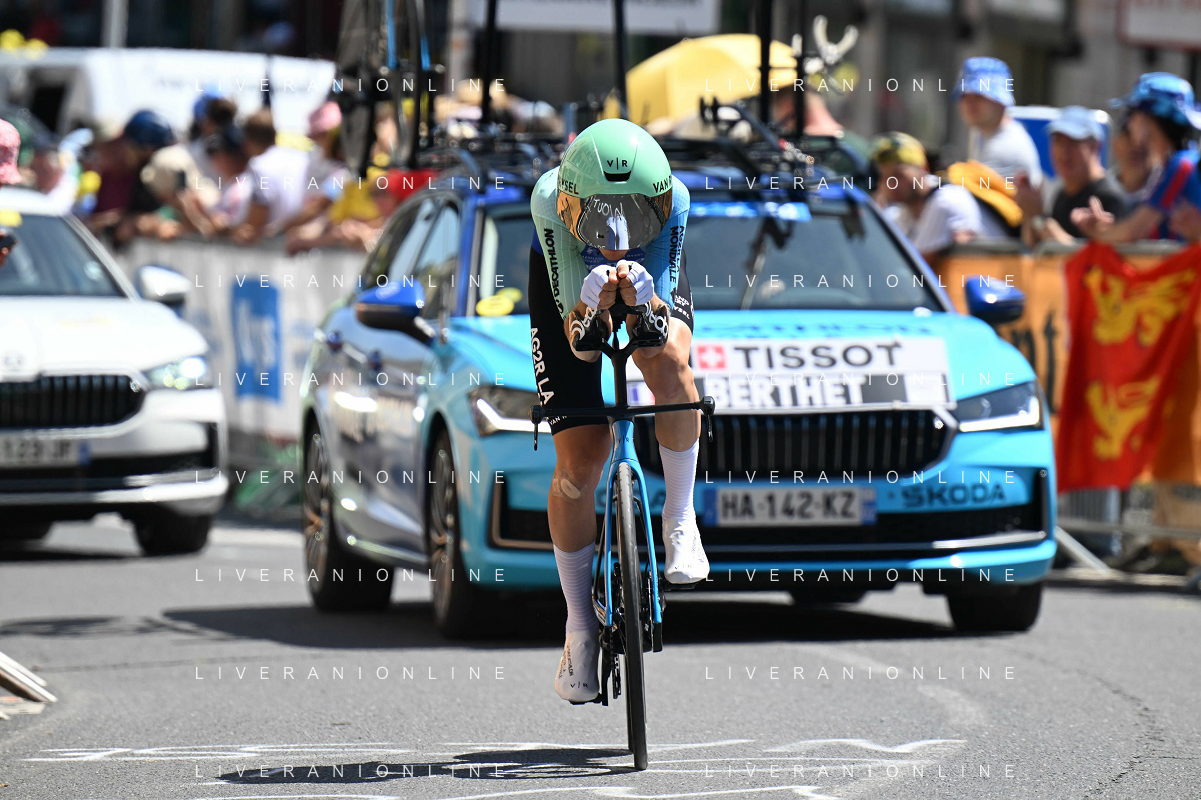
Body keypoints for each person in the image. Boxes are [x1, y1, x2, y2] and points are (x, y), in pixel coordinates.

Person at [528, 118, 709, 703]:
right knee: (582, 458)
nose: (617, 236)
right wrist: (589, 306)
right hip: (568, 283)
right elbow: (580, 345)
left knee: (671, 365)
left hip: (649, 280)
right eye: (602, 217)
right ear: (572, 203)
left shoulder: (675, 201)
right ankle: (580, 627)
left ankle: (679, 519)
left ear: (658, 201)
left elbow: (658, 334)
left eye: (635, 214)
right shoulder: (549, 203)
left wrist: (645, 302)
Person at [1073, 73, 1201, 242]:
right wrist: (1107, 229)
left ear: (1147, 120)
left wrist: (1096, 233)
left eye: (1132, 114)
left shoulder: (1181, 166)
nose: (1130, 123)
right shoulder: (1175, 165)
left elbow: (1133, 232)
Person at [871, 131, 1008, 265]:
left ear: (923, 169)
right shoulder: (901, 213)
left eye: (899, 174)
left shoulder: (946, 200)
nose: (891, 183)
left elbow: (914, 268)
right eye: (884, 176)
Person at [1014, 106, 1128, 247]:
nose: (1064, 153)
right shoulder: (1062, 195)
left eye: (1073, 142)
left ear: (1095, 147)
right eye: (1058, 141)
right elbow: (1035, 249)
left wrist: (1039, 218)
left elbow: (1083, 256)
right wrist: (1029, 213)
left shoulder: (1110, 197)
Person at [954, 57, 1043, 187]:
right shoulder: (982, 132)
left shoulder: (1006, 147)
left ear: (1000, 100)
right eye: (964, 95)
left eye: (979, 95)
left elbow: (974, 195)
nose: (969, 103)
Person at [234, 109, 309, 243]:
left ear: (247, 141)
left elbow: (256, 219)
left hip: (269, 245)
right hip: (301, 238)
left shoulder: (259, 166)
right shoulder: (301, 158)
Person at [30, 135, 79, 215]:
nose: (38, 175)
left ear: (59, 168)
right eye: (35, 169)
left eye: (44, 170)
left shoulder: (70, 194)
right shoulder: (33, 190)